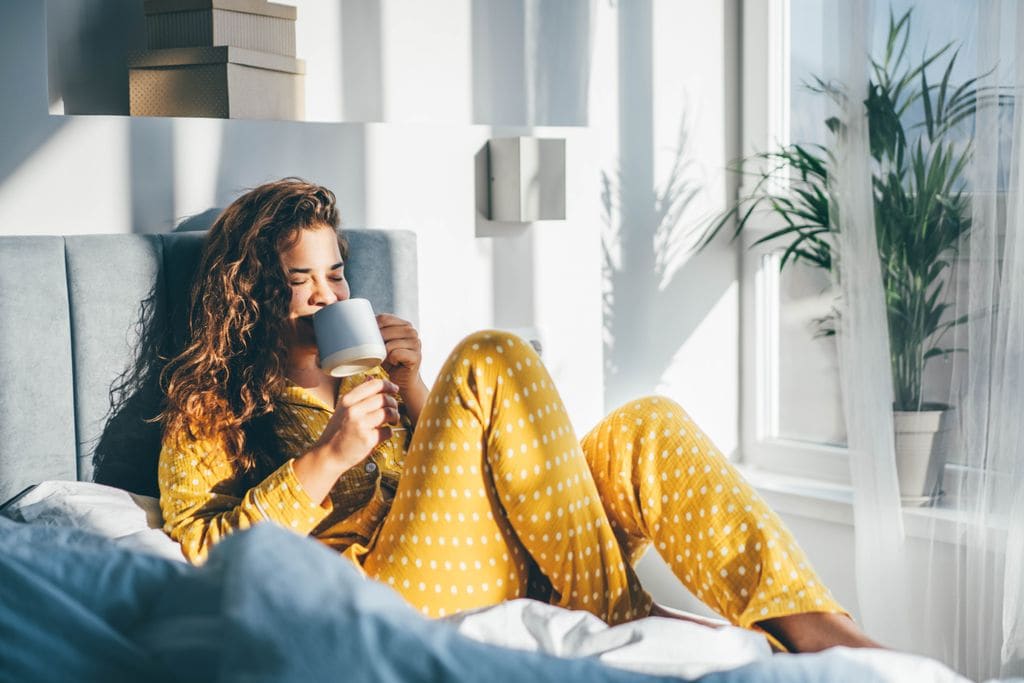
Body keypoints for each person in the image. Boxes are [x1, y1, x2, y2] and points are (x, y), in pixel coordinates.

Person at [157, 178, 879, 653]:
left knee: (646, 426)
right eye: (299, 279)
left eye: (336, 274)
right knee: (491, 352)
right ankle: (628, 619)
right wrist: (330, 456)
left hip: (500, 556)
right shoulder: (210, 407)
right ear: (249, 293)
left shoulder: (372, 368)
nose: (324, 295)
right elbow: (207, 556)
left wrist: (413, 386)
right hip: (387, 591)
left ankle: (821, 627)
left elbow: (452, 482)